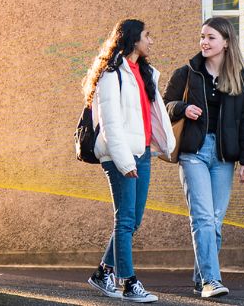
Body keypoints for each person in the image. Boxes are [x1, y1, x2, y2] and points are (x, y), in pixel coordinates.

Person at [163, 17, 244, 298]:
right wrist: (182, 108)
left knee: (215, 221)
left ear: (226, 43)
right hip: (193, 152)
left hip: (224, 156)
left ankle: (200, 276)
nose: (204, 42)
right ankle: (211, 281)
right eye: (202, 36)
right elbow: (164, 105)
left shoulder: (239, 78)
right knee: (203, 218)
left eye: (211, 37)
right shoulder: (187, 73)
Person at [82, 19, 176, 303]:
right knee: (124, 220)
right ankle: (128, 282)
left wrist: (161, 146)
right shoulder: (112, 75)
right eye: (148, 35)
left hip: (143, 153)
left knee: (133, 221)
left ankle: (103, 272)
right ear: (133, 39)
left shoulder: (144, 72)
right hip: (120, 156)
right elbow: (111, 125)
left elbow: (151, 115)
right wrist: (124, 162)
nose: (151, 41)